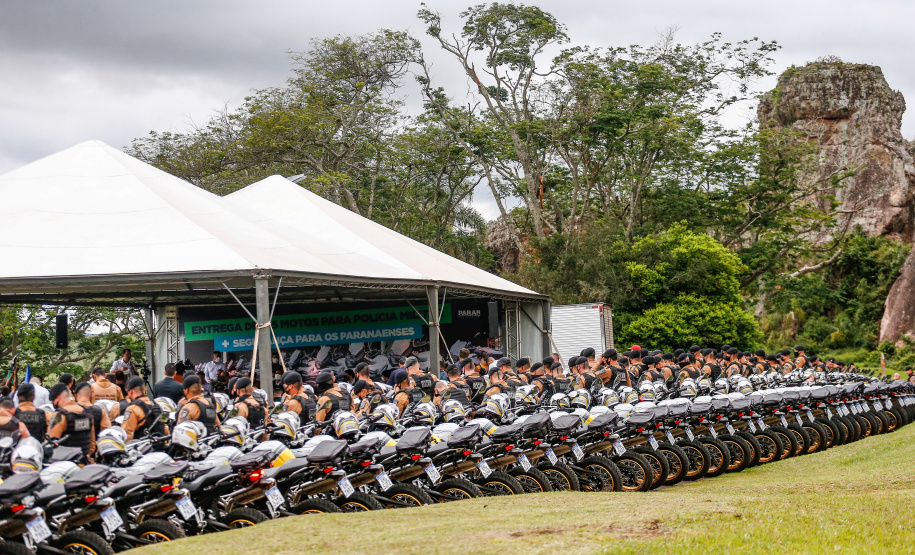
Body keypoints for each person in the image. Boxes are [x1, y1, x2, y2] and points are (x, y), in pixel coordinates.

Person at [48, 384, 95, 458]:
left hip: (65, 462)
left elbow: (50, 444)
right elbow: (92, 445)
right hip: (84, 461)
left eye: (53, 401)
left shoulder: (60, 415)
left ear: (58, 398)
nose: (53, 404)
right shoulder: (87, 413)